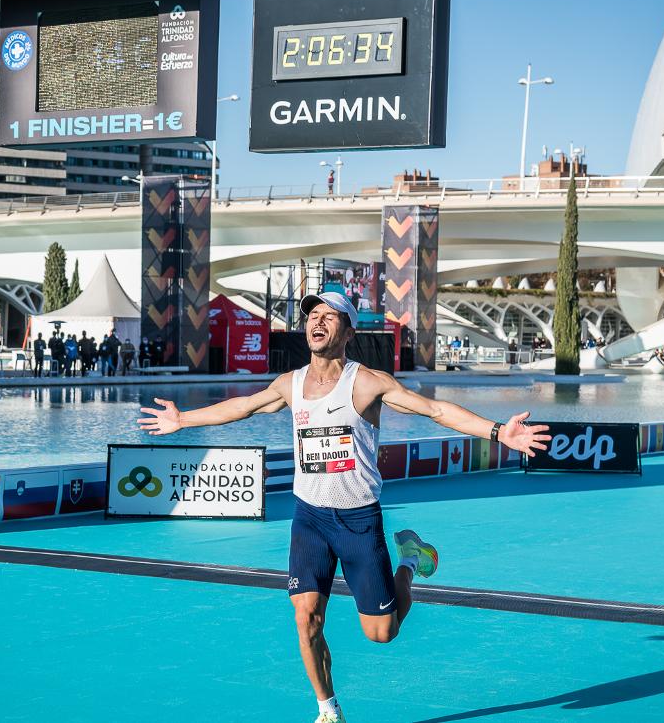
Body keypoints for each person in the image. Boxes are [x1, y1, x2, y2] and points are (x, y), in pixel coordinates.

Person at [138, 292, 550, 723]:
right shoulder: (290, 384)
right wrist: (183, 419)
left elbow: (436, 410)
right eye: (312, 316)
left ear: (348, 331)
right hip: (310, 518)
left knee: (382, 633)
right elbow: (242, 407)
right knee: (306, 617)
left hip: (358, 520)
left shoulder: (368, 382)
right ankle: (328, 709)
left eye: (329, 317)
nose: (317, 322)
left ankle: (412, 559)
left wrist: (498, 431)